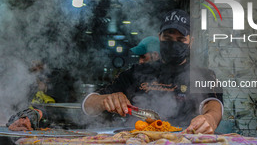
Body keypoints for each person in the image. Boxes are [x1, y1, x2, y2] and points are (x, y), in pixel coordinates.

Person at [82, 9, 223, 133]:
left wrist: (210, 118)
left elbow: (213, 104)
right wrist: (104, 100)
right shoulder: (136, 72)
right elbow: (88, 104)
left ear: (191, 42)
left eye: (180, 39)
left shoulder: (204, 75)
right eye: (167, 38)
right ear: (159, 37)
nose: (173, 44)